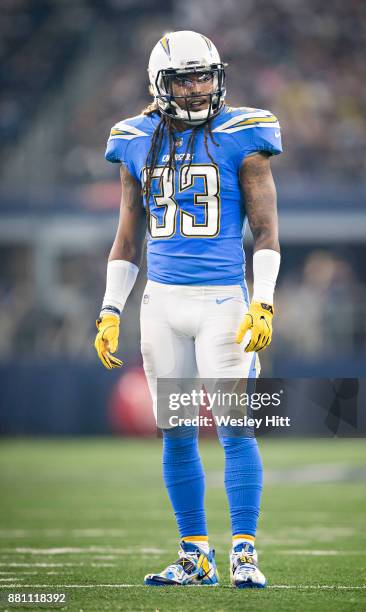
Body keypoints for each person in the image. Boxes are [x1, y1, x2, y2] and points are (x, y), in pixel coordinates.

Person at [94, 30, 282, 588]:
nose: (200, 89)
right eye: (187, 79)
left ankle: (244, 553)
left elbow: (268, 231)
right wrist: (110, 308)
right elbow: (127, 238)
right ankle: (194, 554)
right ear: (161, 85)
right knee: (175, 432)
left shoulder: (241, 134)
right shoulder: (134, 138)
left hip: (224, 301)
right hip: (160, 305)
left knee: (236, 429)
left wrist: (264, 303)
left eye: (206, 76)